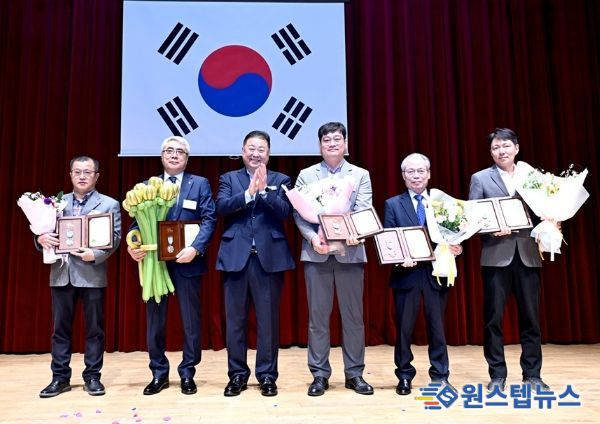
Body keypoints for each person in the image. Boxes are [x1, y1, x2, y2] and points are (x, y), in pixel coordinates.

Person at [127, 136, 217, 395]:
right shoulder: (147, 186)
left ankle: (188, 372)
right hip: (155, 263)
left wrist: (195, 248)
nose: (174, 155)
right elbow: (136, 223)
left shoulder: (199, 184)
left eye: (180, 152)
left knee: (191, 320)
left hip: (187, 261)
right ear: (161, 156)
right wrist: (134, 245)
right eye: (169, 150)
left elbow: (209, 219)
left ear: (187, 158)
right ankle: (158, 373)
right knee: (155, 321)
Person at [293, 122, 374, 396]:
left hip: (351, 252)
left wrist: (353, 234)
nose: (332, 143)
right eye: (326, 140)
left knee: (353, 317)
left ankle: (355, 374)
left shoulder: (360, 174)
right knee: (317, 317)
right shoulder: (306, 175)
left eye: (337, 139)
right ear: (319, 145)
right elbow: (299, 213)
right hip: (316, 253)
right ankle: (319, 374)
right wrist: (312, 238)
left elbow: (363, 209)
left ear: (345, 144)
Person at [215, 130, 295, 397]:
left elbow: (286, 212)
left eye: (261, 149)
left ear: (268, 154)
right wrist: (248, 194)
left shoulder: (281, 179)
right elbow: (221, 207)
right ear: (242, 151)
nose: (256, 154)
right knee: (235, 322)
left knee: (268, 322)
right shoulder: (228, 179)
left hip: (269, 258)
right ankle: (237, 375)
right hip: (235, 257)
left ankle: (267, 376)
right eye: (251, 148)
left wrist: (263, 193)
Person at [469, 128, 548, 393]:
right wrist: (491, 229)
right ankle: (497, 375)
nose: (501, 151)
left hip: (527, 254)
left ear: (516, 148)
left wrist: (552, 220)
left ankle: (532, 374)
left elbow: (543, 211)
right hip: (496, 256)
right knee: (493, 319)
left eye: (505, 146)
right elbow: (472, 218)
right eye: (495, 147)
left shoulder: (532, 177)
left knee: (531, 318)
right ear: (491, 152)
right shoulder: (480, 178)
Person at [36, 156, 121, 398]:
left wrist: (95, 254)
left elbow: (114, 238)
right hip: (61, 274)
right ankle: (59, 378)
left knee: (94, 329)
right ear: (71, 175)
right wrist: (40, 239)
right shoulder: (54, 204)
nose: (82, 176)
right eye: (77, 172)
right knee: (60, 330)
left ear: (96, 176)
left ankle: (92, 377)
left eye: (87, 172)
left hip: (91, 273)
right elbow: (44, 234)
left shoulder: (109, 204)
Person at [383, 153, 462, 396]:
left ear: (429, 174)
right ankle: (404, 375)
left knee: (437, 328)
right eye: (411, 171)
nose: (416, 176)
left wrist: (456, 248)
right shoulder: (393, 204)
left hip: (436, 273)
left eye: (421, 171)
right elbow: (389, 239)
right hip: (406, 274)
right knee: (404, 329)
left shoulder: (443, 203)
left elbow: (454, 234)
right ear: (403, 176)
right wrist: (399, 256)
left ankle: (440, 375)